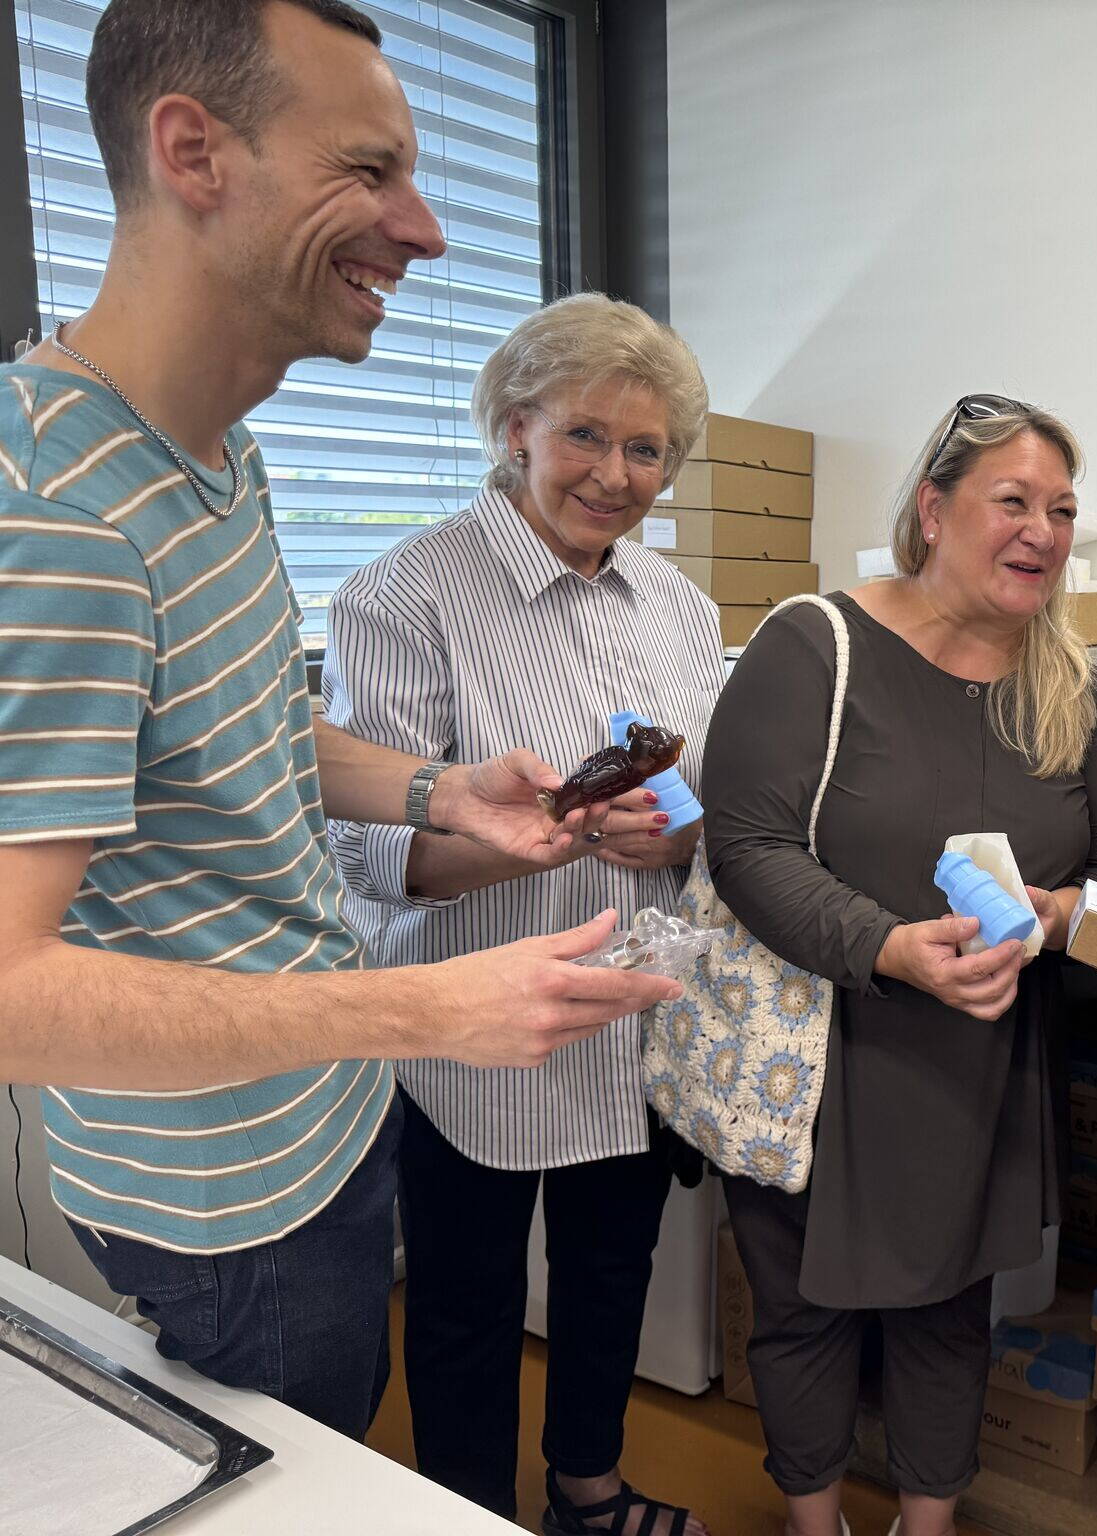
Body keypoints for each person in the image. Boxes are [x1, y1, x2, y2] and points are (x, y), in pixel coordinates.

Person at [0, 0, 679, 1441]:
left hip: (317, 1131)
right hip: (225, 1199)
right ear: (193, 150)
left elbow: (225, 728)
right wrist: (415, 1005)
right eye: (369, 171)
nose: (426, 230)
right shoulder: (51, 514)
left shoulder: (210, 456)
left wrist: (440, 793)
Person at [700, 396, 1097, 1536]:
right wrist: (888, 946)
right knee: (799, 1309)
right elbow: (743, 845)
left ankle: (927, 1522)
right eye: (1013, 501)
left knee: (951, 1312)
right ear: (933, 509)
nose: (1041, 529)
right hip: (827, 1051)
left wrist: (1047, 919)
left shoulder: (1075, 690)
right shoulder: (812, 646)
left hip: (980, 1058)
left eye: (1060, 509)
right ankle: (812, 1522)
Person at [322, 293, 721, 1535]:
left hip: (627, 1018)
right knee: (463, 1300)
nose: (615, 475)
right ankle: (470, 1512)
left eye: (646, 449)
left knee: (611, 1274)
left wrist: (683, 828)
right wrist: (506, 848)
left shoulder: (680, 608)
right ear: (513, 429)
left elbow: (705, 800)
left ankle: (590, 1489)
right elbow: (367, 849)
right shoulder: (407, 594)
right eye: (584, 437)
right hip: (467, 1027)